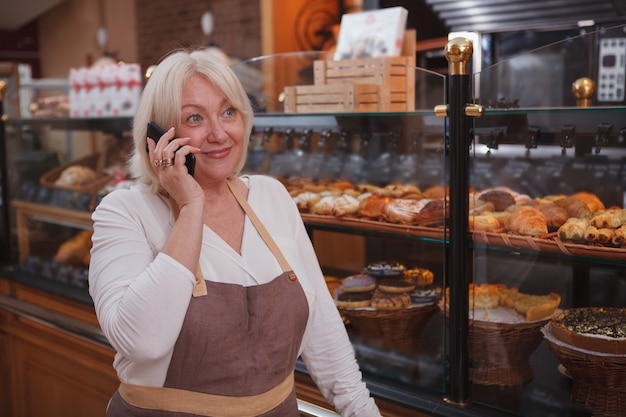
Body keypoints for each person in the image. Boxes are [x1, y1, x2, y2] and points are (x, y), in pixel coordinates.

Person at [88, 47, 382, 417]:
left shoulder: (271, 196)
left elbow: (326, 335)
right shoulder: (125, 212)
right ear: (159, 134)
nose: (219, 133)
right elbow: (142, 342)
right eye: (194, 118)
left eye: (229, 112)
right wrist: (192, 206)